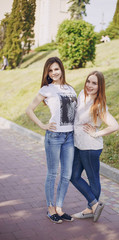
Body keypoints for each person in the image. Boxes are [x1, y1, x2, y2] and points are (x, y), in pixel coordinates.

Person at [26, 57, 77, 223]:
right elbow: (29, 110)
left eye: (56, 69)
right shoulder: (46, 89)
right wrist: (42, 125)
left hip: (70, 136)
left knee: (66, 173)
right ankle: (50, 208)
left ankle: (60, 208)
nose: (54, 73)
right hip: (54, 136)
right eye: (50, 70)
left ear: (61, 69)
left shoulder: (71, 89)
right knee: (53, 173)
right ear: (47, 73)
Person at [70, 71, 119, 222]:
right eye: (88, 81)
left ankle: (90, 209)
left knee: (93, 179)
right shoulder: (81, 94)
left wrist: (96, 133)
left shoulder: (99, 104)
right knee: (73, 176)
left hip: (91, 147)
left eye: (94, 83)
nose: (90, 85)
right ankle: (94, 205)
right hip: (78, 144)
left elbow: (114, 126)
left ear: (100, 86)